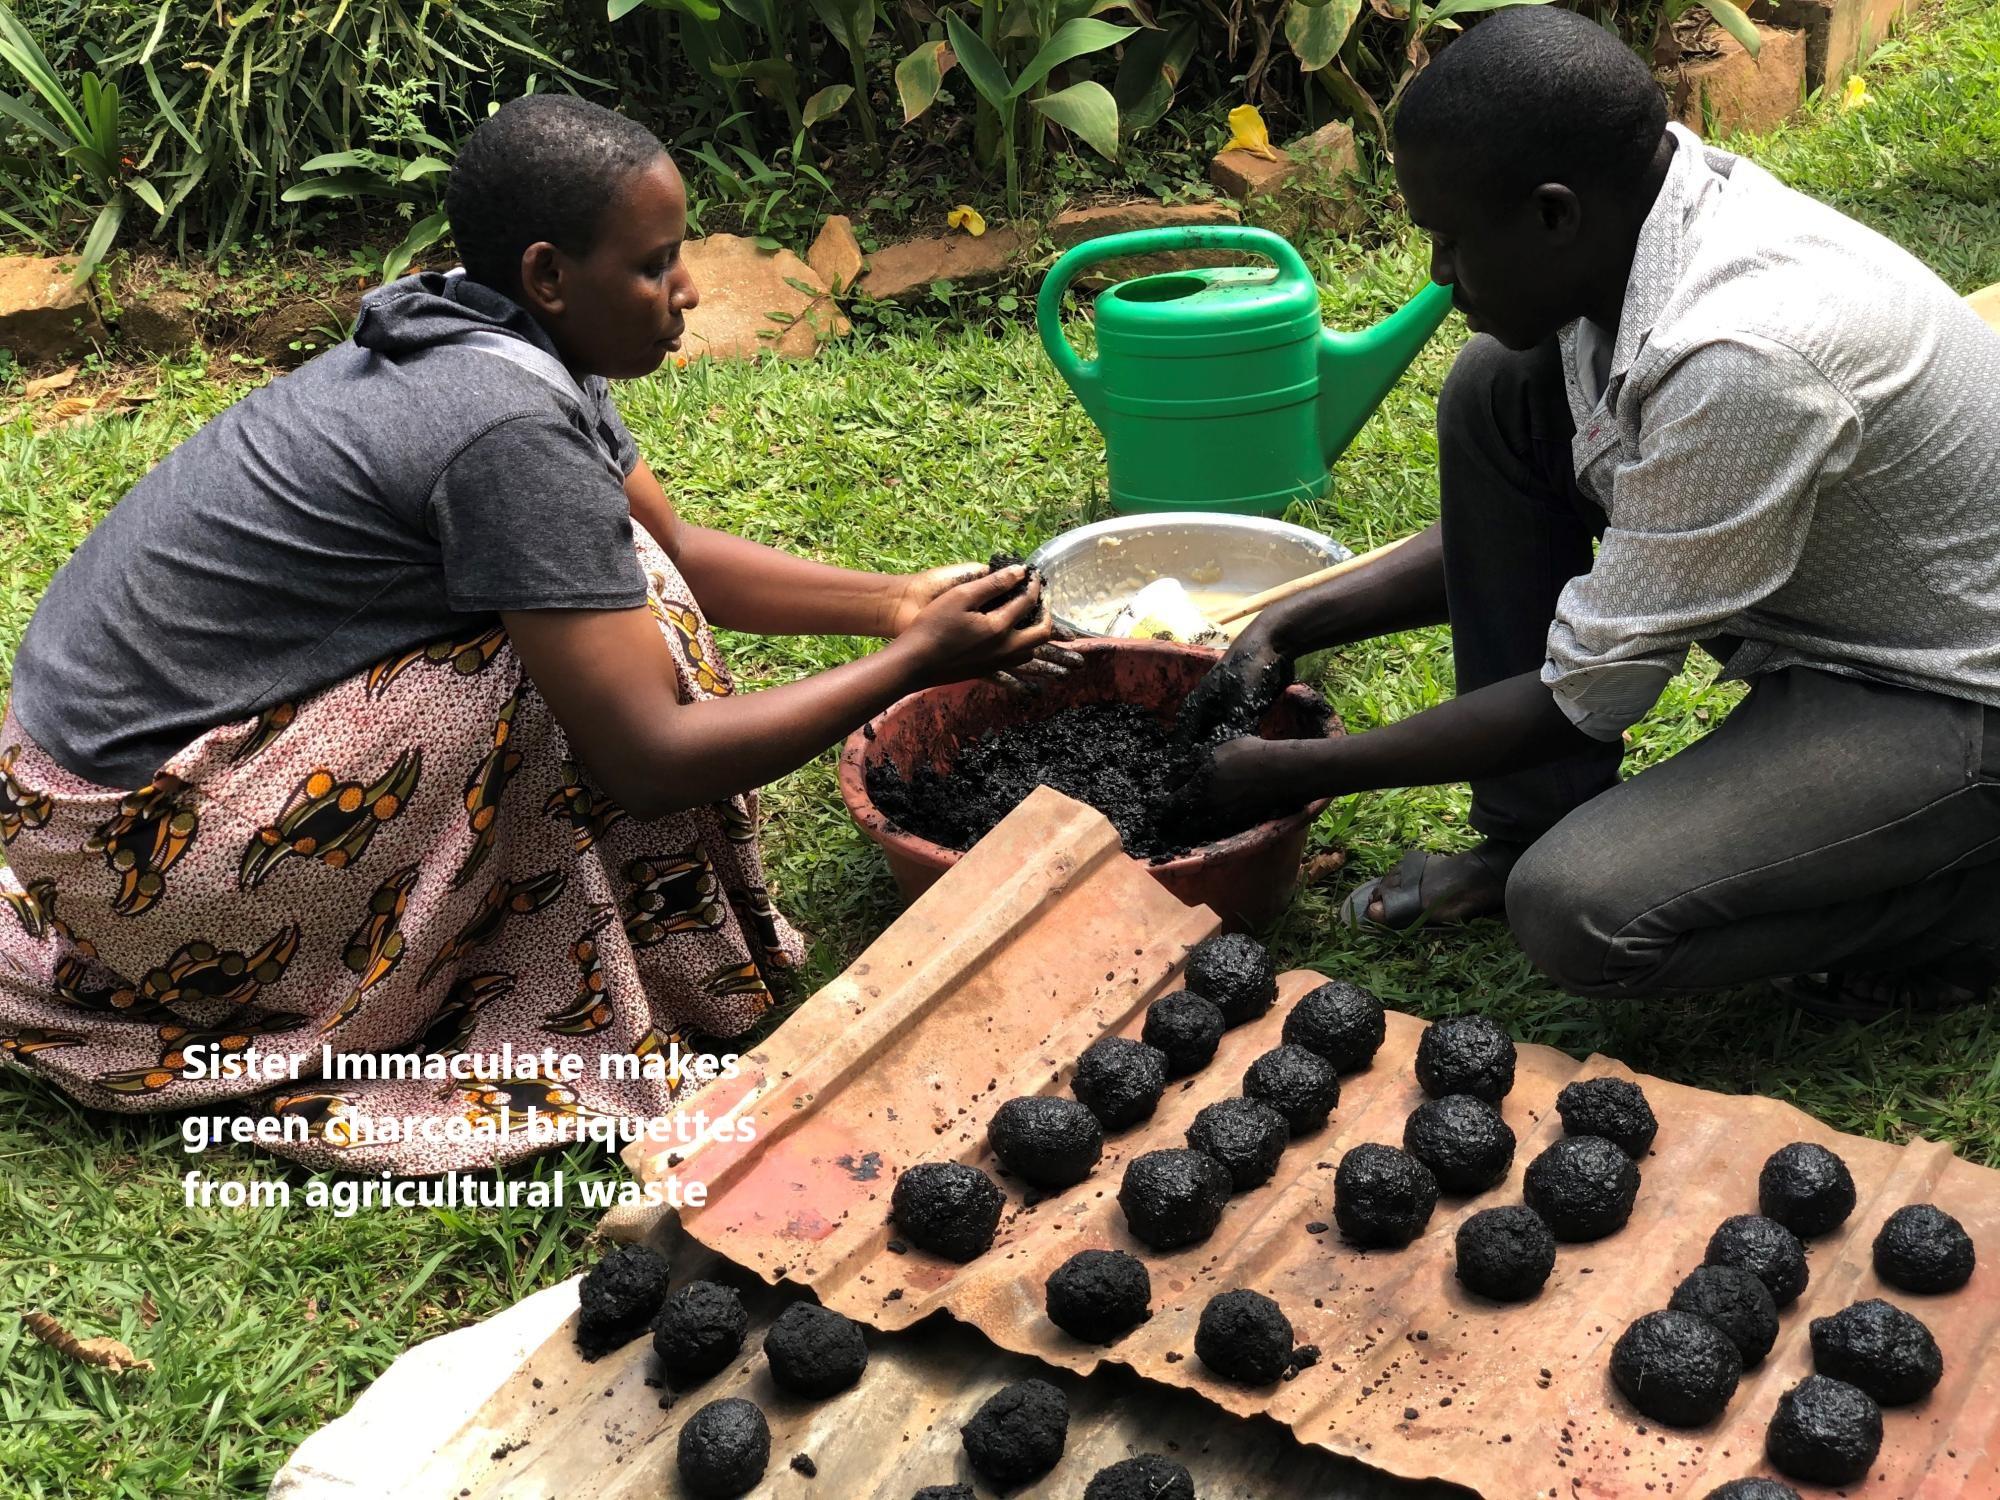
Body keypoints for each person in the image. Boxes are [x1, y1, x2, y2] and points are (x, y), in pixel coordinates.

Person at [0, 95, 1058, 1170]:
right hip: (137, 861)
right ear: (550, 274)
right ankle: (467, 988)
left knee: (618, 588)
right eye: (655, 265)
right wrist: (912, 666)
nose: (687, 288)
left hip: (70, 798)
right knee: (557, 673)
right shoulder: (503, 428)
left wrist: (894, 603)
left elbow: (674, 545)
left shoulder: (488, 332)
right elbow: (646, 761)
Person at [1181, 7, 2000, 1015]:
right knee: (1499, 384)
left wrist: (1288, 771)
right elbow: (1579, 529)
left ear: (1553, 215)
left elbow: (1585, 691)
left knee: (1580, 910)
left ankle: (1966, 905)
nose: (1437, 278)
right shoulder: (1645, 214)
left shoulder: (1740, 360)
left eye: (1448, 242)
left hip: (1950, 693)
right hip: (1839, 609)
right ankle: (1523, 826)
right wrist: (1289, 621)